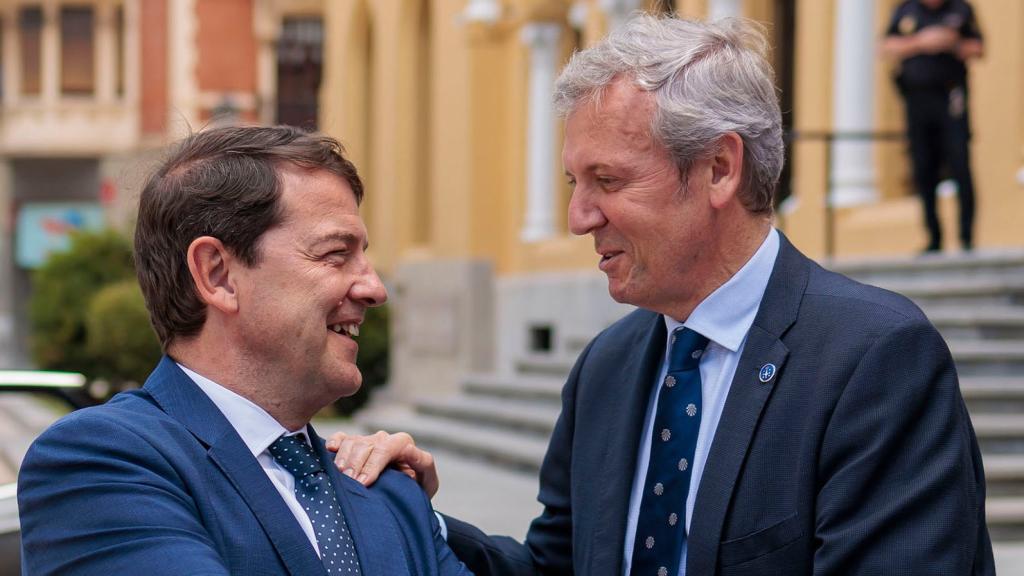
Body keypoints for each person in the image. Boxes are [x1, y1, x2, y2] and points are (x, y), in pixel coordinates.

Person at [330, 15, 994, 575]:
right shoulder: (608, 368)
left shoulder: (875, 361)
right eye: (572, 183)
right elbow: (557, 566)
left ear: (719, 169)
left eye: (608, 181)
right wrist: (417, 516)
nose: (579, 217)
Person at [17, 126, 471, 576]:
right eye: (335, 254)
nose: (375, 289)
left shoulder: (388, 487)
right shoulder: (101, 462)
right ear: (217, 275)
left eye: (365, 258)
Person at [881, 0, 984, 253]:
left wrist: (952, 43)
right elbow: (885, 45)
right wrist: (921, 42)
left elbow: (978, 47)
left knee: (960, 164)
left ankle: (966, 238)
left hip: (951, 99)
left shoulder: (960, 9)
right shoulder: (906, 10)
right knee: (924, 168)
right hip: (917, 101)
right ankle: (934, 238)